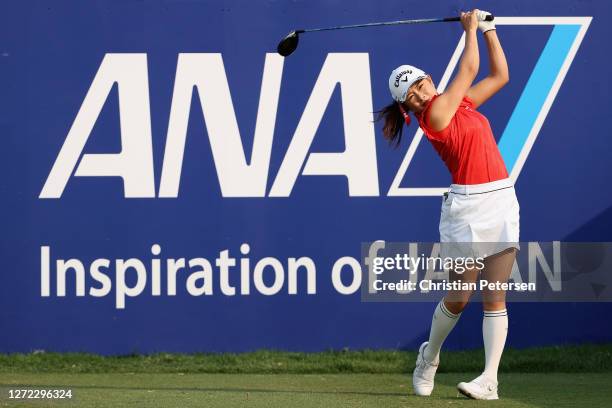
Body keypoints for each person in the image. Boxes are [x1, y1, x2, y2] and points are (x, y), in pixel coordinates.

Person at [377, 10, 519, 400]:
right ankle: (429, 356)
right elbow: (470, 67)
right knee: (459, 297)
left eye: (421, 84)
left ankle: (489, 379)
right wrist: (470, 29)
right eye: (412, 96)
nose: (421, 94)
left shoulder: (461, 105)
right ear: (408, 107)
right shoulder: (435, 117)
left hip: (502, 199)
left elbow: (500, 76)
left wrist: (489, 31)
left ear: (428, 78)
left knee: (496, 294)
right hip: (466, 210)